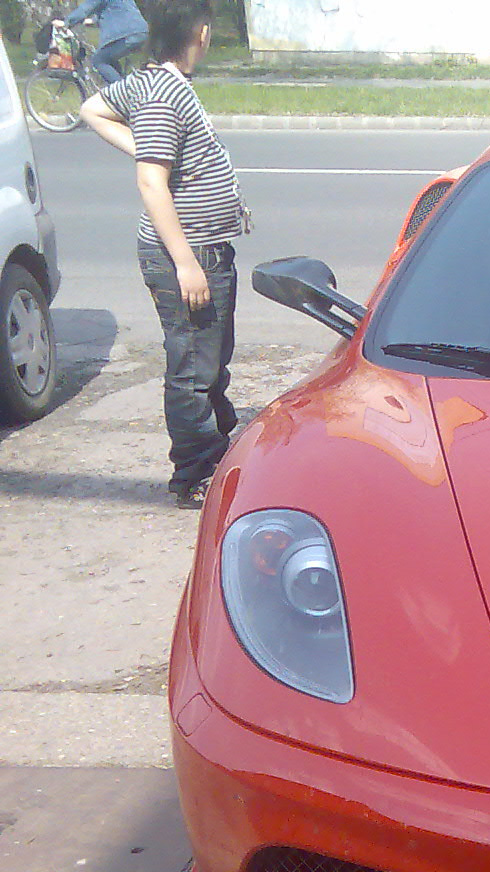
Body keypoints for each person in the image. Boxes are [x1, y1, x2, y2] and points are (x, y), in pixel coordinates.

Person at [80, 0, 247, 509]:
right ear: (201, 32)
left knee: (209, 361)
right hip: (187, 254)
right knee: (193, 369)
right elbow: (152, 183)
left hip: (202, 251)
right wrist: (186, 263)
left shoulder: (152, 79)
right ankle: (196, 473)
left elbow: (91, 109)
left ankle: (217, 449)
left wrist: (145, 145)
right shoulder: (162, 92)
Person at [59, 0, 147, 85]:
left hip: (125, 33)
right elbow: (115, 10)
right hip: (140, 31)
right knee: (109, 59)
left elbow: (85, 8)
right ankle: (124, 86)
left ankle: (123, 92)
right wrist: (92, 20)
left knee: (99, 60)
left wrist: (66, 23)